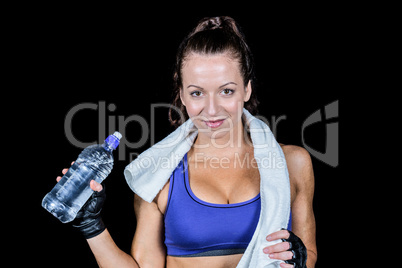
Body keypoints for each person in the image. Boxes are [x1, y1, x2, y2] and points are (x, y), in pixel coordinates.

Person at [56, 16, 317, 267]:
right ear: (181, 94)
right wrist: (92, 225)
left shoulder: (292, 163)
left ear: (246, 89)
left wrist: (299, 258)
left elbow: (309, 254)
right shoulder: (157, 175)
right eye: (197, 93)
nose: (212, 110)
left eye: (227, 91)